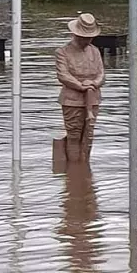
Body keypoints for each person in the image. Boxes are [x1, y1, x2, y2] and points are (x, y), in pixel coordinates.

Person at [55, 13, 105, 163]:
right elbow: (63, 75)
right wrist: (80, 85)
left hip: (93, 98)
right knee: (74, 134)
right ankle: (75, 168)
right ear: (75, 33)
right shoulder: (62, 52)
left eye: (90, 37)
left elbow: (102, 73)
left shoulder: (95, 51)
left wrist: (95, 83)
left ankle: (85, 166)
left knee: (89, 134)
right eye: (84, 36)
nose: (87, 40)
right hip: (72, 100)